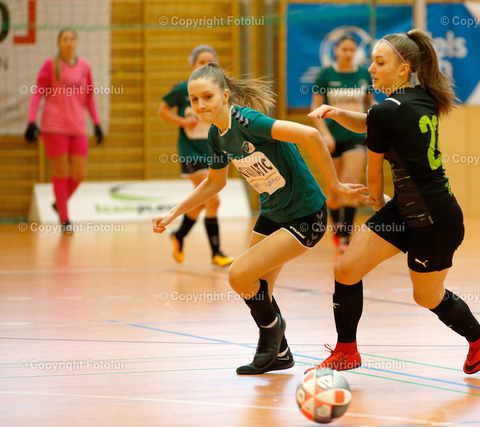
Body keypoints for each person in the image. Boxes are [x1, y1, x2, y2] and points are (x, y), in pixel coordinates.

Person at [152, 63, 366, 375]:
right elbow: (214, 183)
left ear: (225, 96)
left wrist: (334, 183)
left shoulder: (247, 120)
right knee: (259, 288)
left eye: (207, 97)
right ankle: (281, 353)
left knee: (239, 275)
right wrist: (173, 213)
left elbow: (309, 134)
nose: (200, 105)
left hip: (306, 215)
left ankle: (272, 330)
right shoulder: (216, 135)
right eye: (194, 99)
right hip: (273, 213)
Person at [307, 29, 480, 375]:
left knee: (426, 297)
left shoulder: (386, 111)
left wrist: (377, 206)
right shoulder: (422, 97)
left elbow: (373, 175)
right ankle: (346, 351)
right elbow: (374, 122)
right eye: (371, 62)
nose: (371, 69)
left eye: (379, 63)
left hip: (435, 221)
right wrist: (337, 112)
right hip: (409, 209)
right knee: (346, 270)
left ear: (403, 68)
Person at [158, 45, 234, 267]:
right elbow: (162, 111)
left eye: (210, 62)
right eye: (201, 62)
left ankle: (179, 235)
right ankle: (217, 253)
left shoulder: (219, 91)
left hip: (212, 151)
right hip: (190, 152)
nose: (206, 66)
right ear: (192, 65)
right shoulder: (184, 89)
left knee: (200, 204)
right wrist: (183, 121)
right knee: (213, 199)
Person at [25, 28, 103, 233]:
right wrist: (31, 121)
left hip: (78, 127)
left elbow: (89, 96)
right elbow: (37, 92)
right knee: (61, 172)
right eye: (64, 39)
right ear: (59, 43)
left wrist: (96, 123)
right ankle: (65, 219)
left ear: (76, 42)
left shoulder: (85, 66)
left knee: (79, 174)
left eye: (71, 39)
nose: (68, 43)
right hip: (54, 127)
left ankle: (59, 203)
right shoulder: (51, 64)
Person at [311, 35, 374, 252]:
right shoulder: (326, 75)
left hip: (356, 137)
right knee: (335, 192)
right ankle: (337, 229)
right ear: (336, 50)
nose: (348, 53)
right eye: (344, 49)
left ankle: (346, 237)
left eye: (352, 50)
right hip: (332, 138)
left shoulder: (363, 75)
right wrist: (325, 134)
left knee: (350, 183)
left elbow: (370, 105)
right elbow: (316, 108)